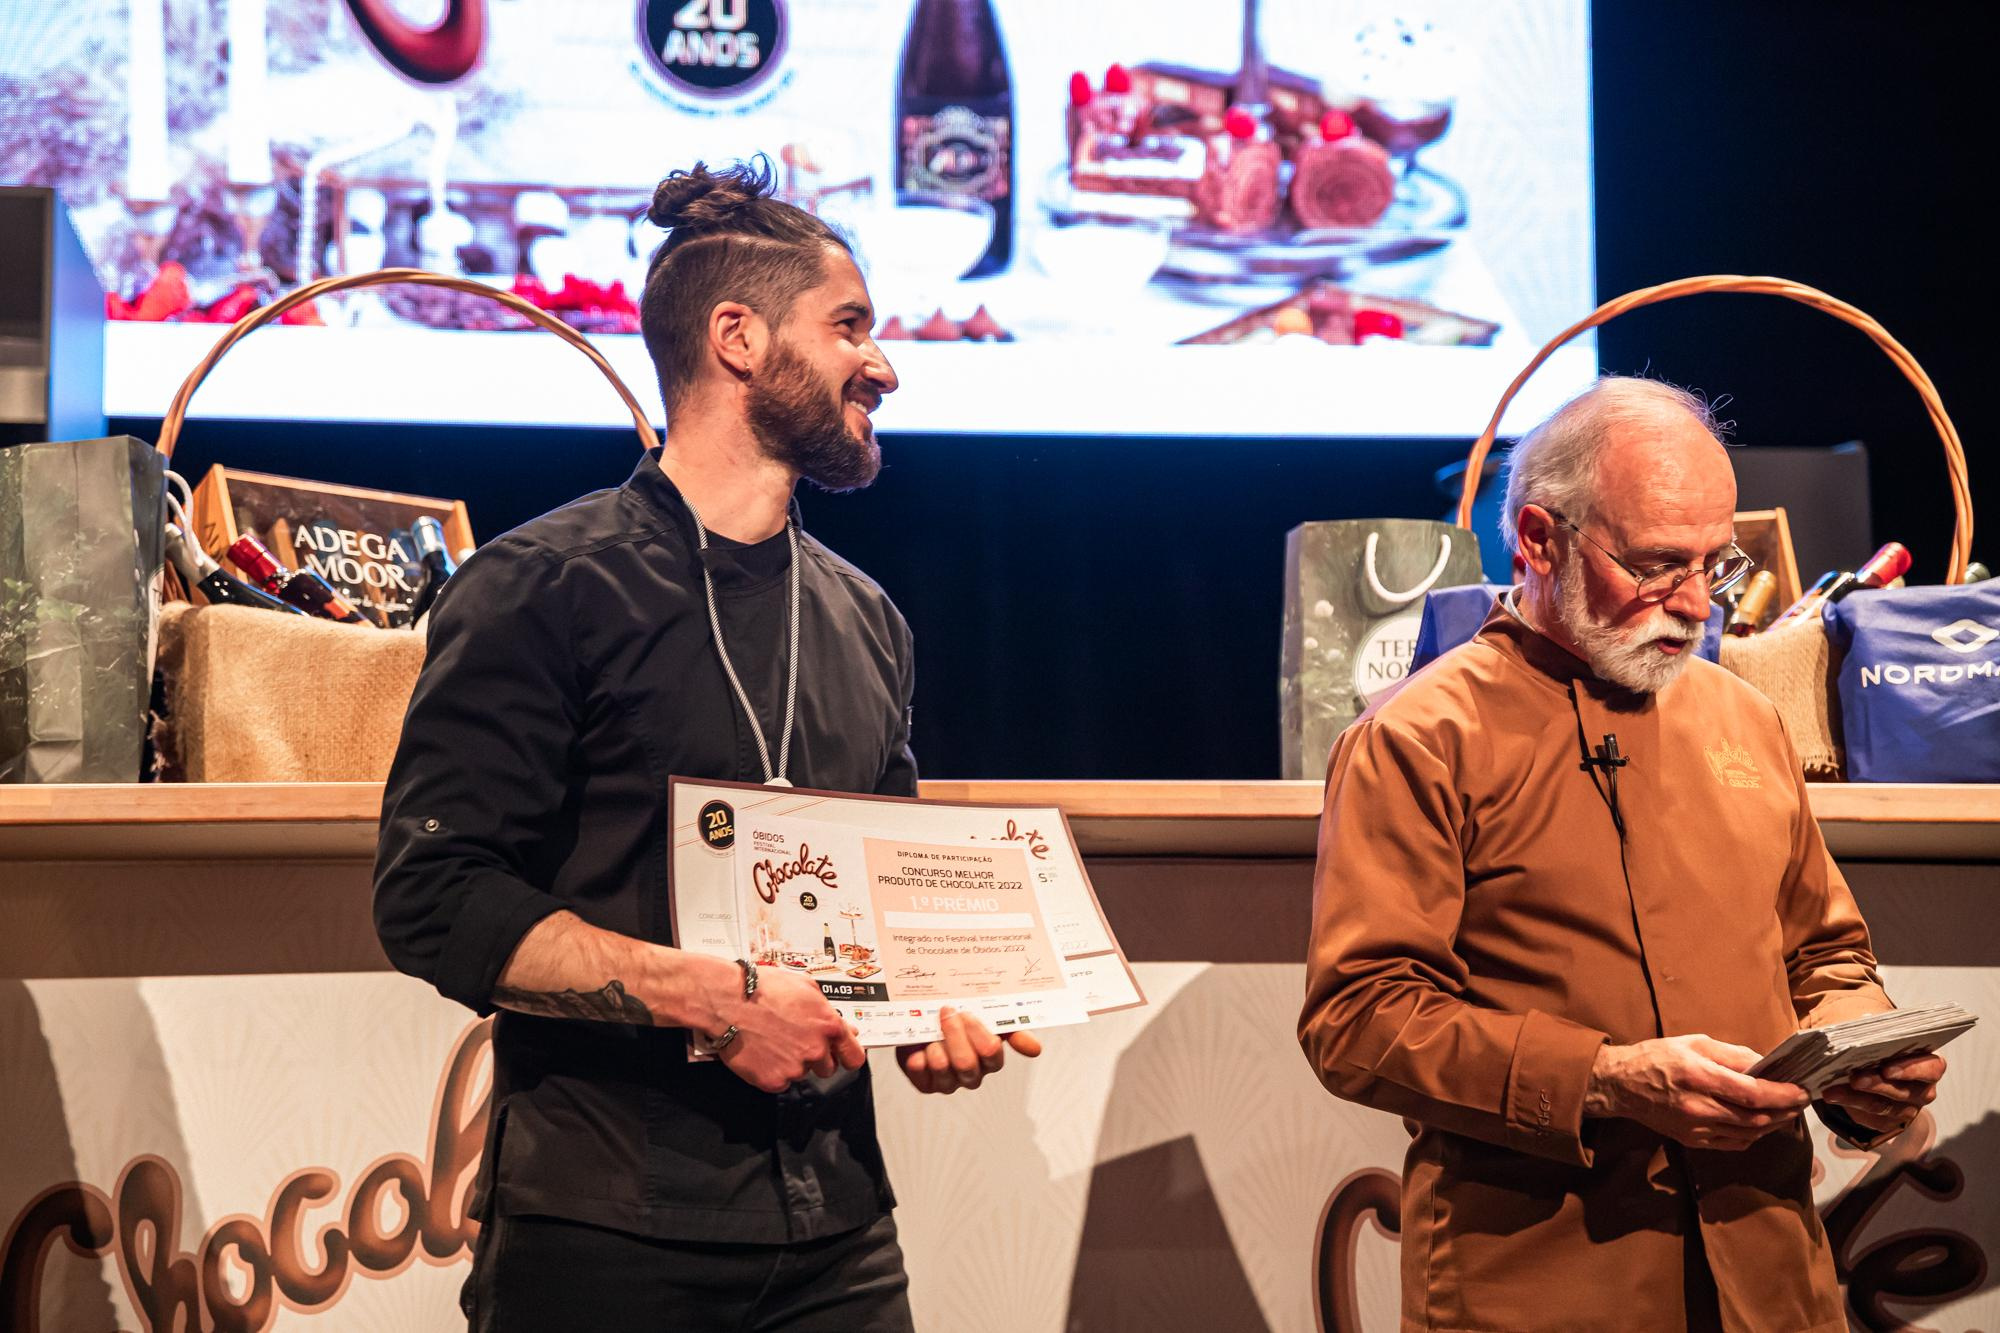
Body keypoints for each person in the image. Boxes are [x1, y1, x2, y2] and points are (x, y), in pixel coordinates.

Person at [374, 159, 1039, 1332]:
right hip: (606, 1235)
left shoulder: (867, 620)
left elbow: (880, 918)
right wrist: (713, 998)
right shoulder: (543, 587)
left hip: (839, 1237)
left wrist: (929, 1012)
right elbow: (434, 895)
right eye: (849, 327)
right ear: (737, 337)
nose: (881, 363)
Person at [1297, 377, 1947, 1331]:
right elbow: (1359, 1019)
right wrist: (1606, 1079)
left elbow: (1825, 957)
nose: (1693, 604)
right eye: (1653, 565)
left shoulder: (1745, 717)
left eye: (1712, 564)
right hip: (1538, 1286)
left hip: (1774, 1279)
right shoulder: (1423, 735)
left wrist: (1862, 1058)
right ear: (1537, 538)